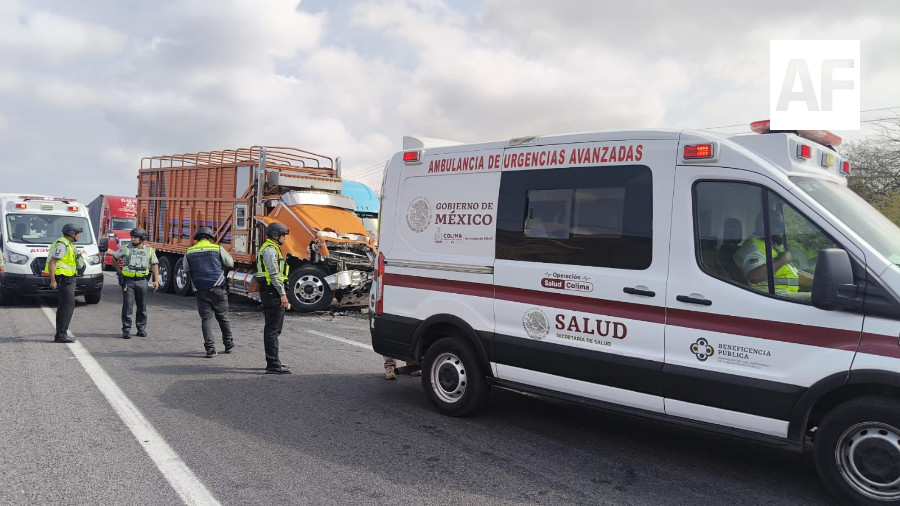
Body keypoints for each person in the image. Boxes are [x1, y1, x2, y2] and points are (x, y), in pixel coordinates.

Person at [734, 210, 813, 294]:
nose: (782, 228)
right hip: (769, 295)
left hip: (785, 294)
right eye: (779, 225)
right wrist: (782, 260)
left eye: (782, 225)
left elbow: (794, 276)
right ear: (763, 226)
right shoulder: (753, 246)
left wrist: (816, 282)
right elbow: (754, 277)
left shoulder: (772, 245)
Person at [184, 227, 234, 357]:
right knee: (223, 316)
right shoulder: (217, 248)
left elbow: (186, 269)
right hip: (217, 286)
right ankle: (228, 343)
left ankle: (210, 349)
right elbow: (230, 263)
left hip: (200, 288)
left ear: (198, 238)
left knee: (206, 318)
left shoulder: (189, 251)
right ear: (211, 238)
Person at [255, 222, 292, 374]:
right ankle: (273, 365)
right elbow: (274, 274)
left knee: (273, 329)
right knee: (272, 330)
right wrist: (283, 294)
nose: (285, 238)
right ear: (276, 235)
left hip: (270, 291)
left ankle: (274, 360)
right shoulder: (270, 250)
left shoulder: (272, 248)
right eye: (283, 235)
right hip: (272, 292)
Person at [112, 227, 159, 339]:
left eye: (135, 237)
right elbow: (114, 258)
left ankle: (141, 329)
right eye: (132, 237)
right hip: (128, 282)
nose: (132, 239)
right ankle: (126, 330)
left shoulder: (149, 250)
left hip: (142, 281)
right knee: (128, 306)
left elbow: (154, 265)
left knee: (142, 306)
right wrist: (120, 273)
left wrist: (156, 280)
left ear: (142, 238)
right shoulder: (126, 248)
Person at [44, 223, 85, 343]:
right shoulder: (62, 245)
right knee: (66, 306)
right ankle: (61, 335)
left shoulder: (68, 244)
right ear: (72, 234)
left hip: (69, 278)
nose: (79, 236)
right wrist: (53, 281)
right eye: (78, 233)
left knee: (66, 306)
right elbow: (52, 262)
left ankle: (61, 334)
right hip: (64, 279)